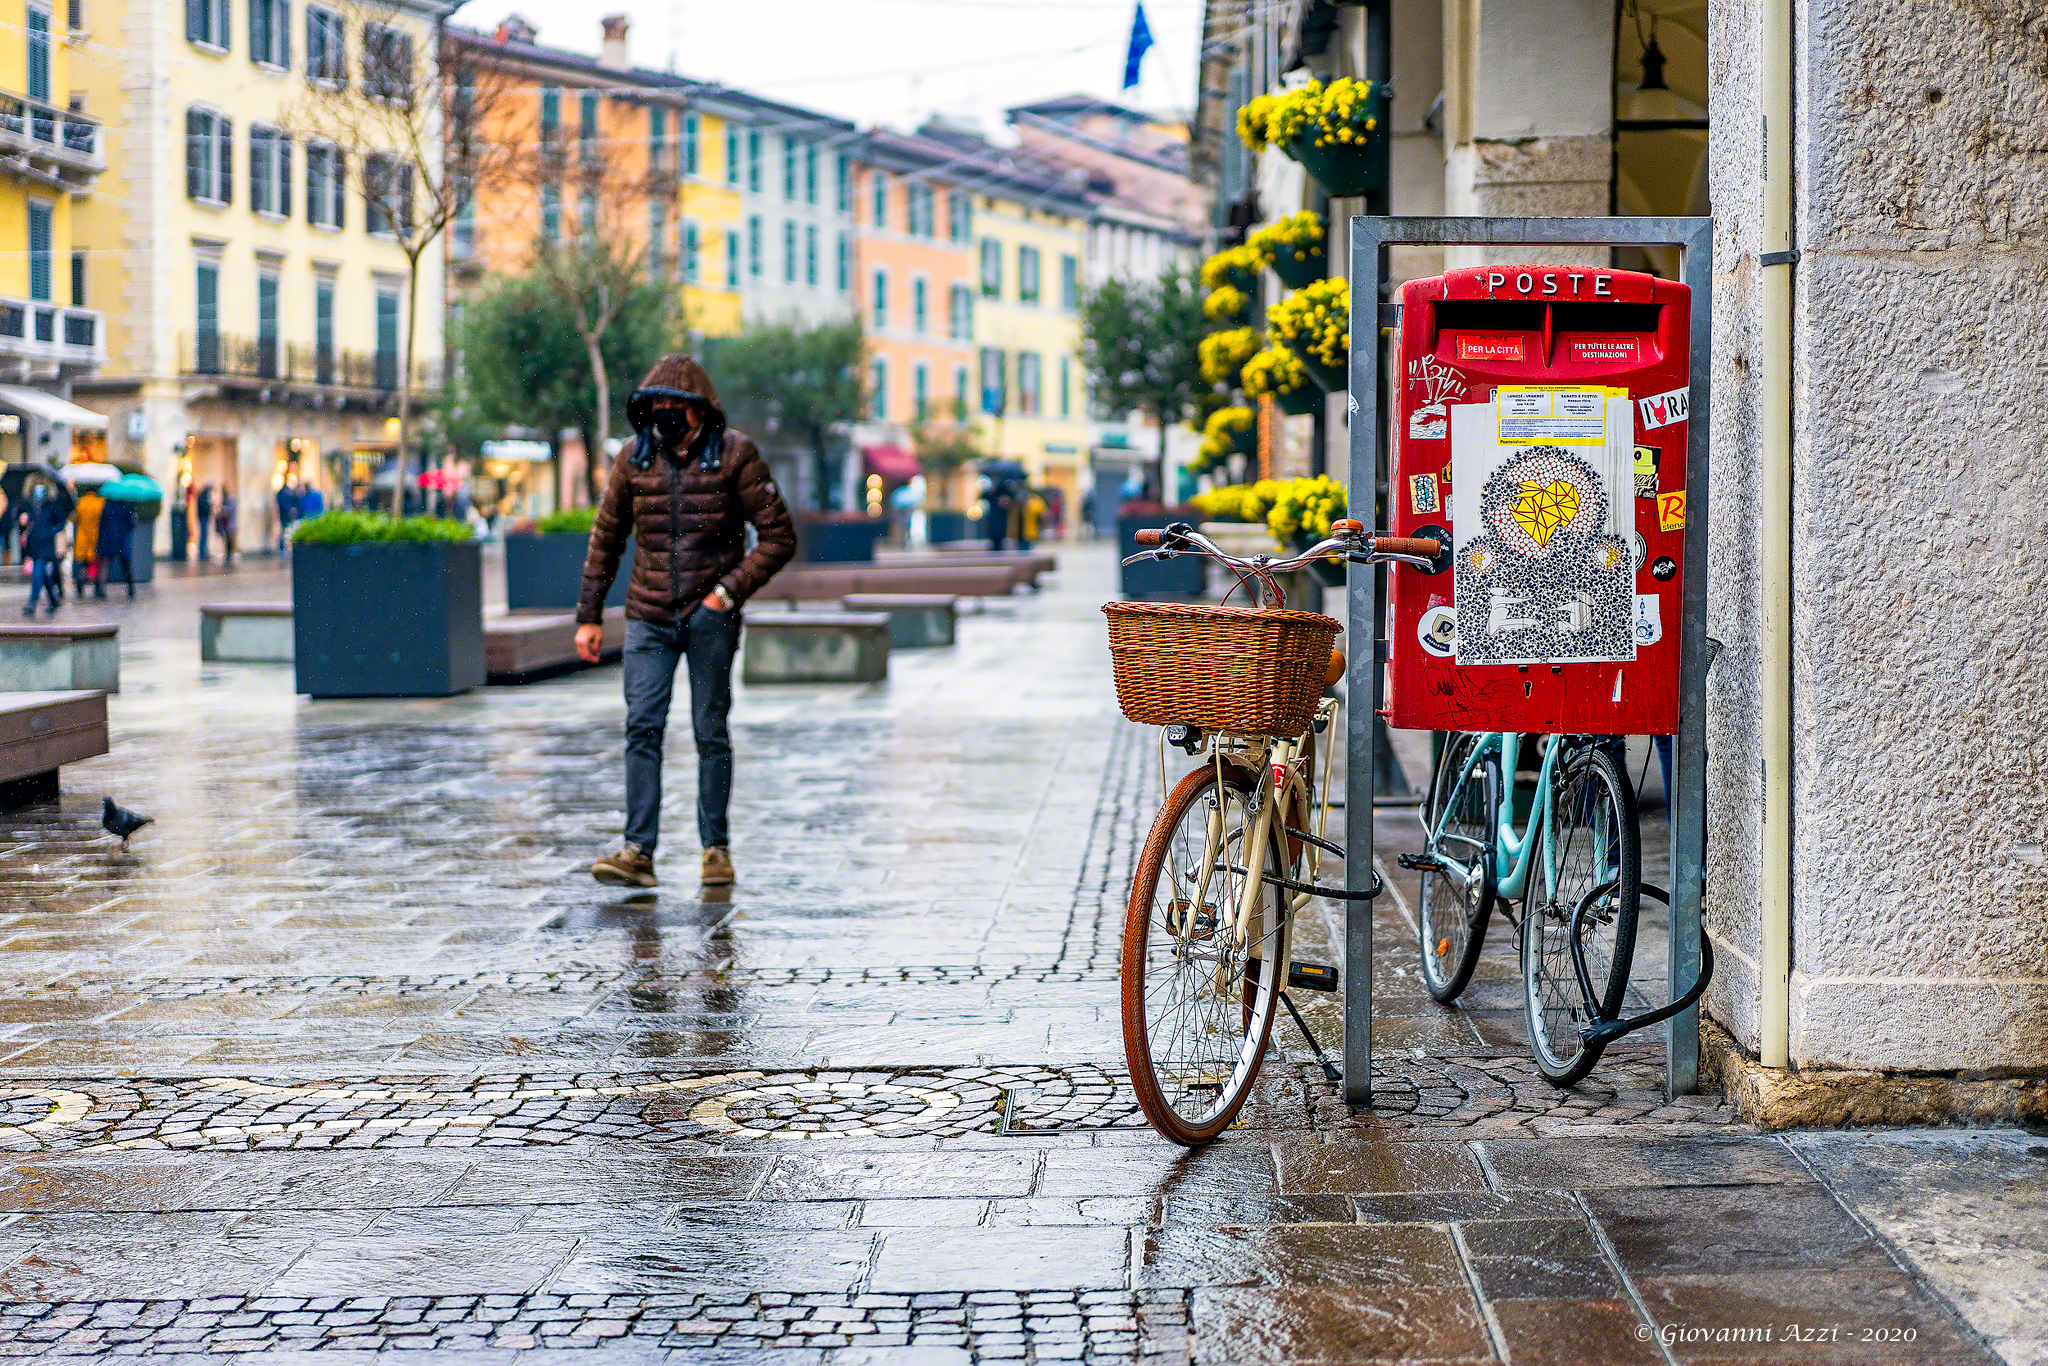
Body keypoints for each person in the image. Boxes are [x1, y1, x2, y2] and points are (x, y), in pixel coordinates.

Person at [576, 354, 795, 889]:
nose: (664, 412)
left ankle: (715, 849)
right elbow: (606, 538)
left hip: (710, 617)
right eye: (655, 404)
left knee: (709, 731)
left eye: (675, 404)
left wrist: (727, 593)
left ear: (700, 409)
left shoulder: (735, 454)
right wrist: (589, 616)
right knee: (642, 727)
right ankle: (637, 853)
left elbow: (779, 536)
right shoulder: (633, 458)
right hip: (648, 616)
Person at [20, 485, 65, 616]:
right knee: (43, 574)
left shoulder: (52, 506)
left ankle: (32, 602)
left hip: (46, 545)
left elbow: (61, 523)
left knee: (38, 571)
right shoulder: (30, 506)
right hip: (34, 544)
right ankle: (54, 599)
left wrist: (50, 532)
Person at [96, 494, 135, 598]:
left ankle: (100, 588)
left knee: (105, 564)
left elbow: (101, 524)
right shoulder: (125, 507)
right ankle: (131, 587)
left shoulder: (106, 507)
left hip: (108, 539)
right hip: (121, 539)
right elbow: (130, 524)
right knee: (125, 564)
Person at [70, 487, 102, 597]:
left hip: (82, 536)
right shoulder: (100, 503)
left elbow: (73, 519)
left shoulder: (81, 502)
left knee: (81, 563)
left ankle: (80, 583)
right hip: (95, 536)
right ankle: (98, 588)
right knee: (96, 563)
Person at [275, 477, 301, 553]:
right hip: (285, 515)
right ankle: (283, 547)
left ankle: (284, 547)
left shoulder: (285, 492)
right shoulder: (284, 492)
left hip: (285, 515)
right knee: (285, 530)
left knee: (286, 530)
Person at [215, 488, 237, 562]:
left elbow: (230, 511)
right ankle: (228, 554)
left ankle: (229, 554)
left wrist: (223, 510)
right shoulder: (226, 500)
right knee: (227, 538)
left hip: (229, 523)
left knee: (230, 539)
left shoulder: (230, 500)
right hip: (226, 523)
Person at [195, 483, 213, 561]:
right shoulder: (204, 496)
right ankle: (202, 552)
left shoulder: (202, 495)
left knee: (204, 535)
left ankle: (203, 552)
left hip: (203, 517)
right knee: (204, 535)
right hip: (203, 517)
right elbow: (204, 507)